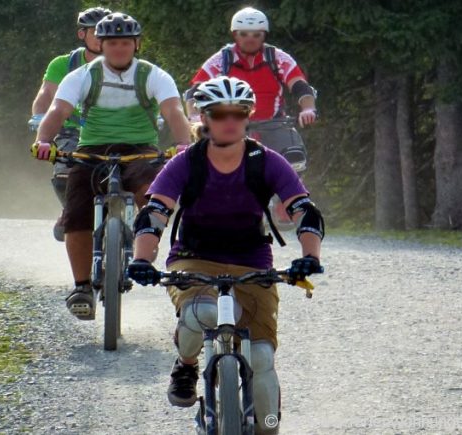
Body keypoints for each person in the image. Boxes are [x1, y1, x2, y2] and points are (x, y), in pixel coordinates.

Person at [127, 77, 325, 434]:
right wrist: (142, 259)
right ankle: (187, 363)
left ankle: (266, 425)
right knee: (202, 311)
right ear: (204, 117)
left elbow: (304, 210)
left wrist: (308, 255)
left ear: (248, 116)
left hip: (253, 262)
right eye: (219, 114)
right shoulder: (186, 162)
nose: (229, 121)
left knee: (262, 358)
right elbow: (155, 213)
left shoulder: (266, 161)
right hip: (194, 256)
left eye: (238, 113)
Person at [33, 13, 192, 320]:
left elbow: (173, 111)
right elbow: (58, 109)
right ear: (101, 45)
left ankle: (144, 246)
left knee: (153, 193)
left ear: (137, 44)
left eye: (125, 43)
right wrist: (43, 140)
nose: (119, 49)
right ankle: (81, 287)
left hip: (140, 150)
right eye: (112, 43)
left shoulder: (153, 75)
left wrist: (183, 143)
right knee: (76, 213)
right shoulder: (82, 75)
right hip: (92, 149)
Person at [184, 7, 320, 225]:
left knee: (295, 155)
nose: (250, 39)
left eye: (256, 34)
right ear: (234, 35)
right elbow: (195, 91)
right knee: (208, 157)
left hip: (274, 122)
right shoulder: (222, 59)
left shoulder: (277, 58)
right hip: (232, 120)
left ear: (264, 35)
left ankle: (286, 199)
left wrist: (308, 109)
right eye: (244, 34)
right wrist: (193, 116)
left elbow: (301, 87)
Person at [28, 6, 111, 242]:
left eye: (105, 31)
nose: (100, 37)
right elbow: (46, 94)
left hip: (115, 130)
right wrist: (39, 117)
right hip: (72, 130)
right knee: (64, 174)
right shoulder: (63, 64)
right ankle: (71, 208)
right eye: (95, 31)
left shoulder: (124, 64)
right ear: (81, 34)